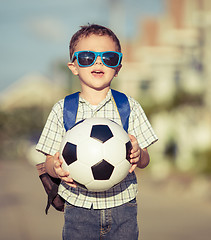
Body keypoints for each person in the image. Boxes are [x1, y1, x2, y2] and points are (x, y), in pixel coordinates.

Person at [36, 24, 158, 240]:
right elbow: (47, 161)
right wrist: (55, 168)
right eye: (87, 57)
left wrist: (140, 155)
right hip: (78, 208)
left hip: (123, 206)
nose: (98, 62)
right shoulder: (63, 109)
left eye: (108, 58)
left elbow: (146, 160)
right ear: (73, 66)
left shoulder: (129, 106)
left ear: (118, 67)